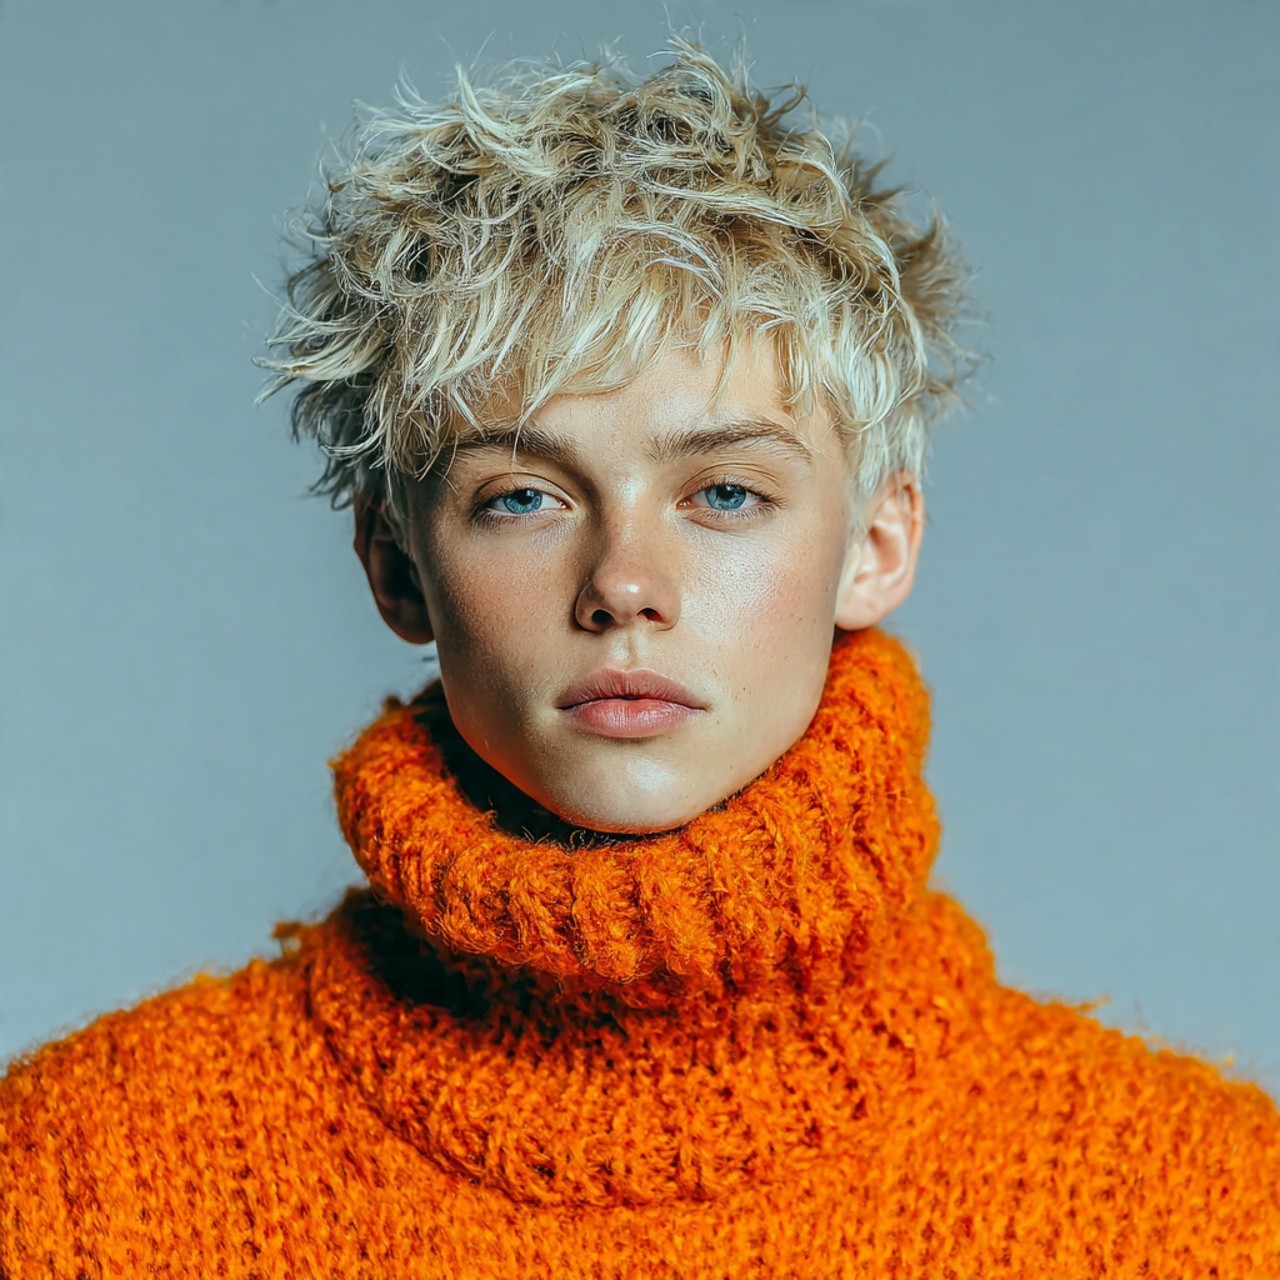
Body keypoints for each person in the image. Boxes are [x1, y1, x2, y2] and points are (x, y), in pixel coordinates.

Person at [2, 36, 1277, 1279]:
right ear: (394, 566)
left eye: (722, 493)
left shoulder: (1203, 1205)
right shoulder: (68, 1175)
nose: (622, 584)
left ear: (875, 544)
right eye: (522, 497)